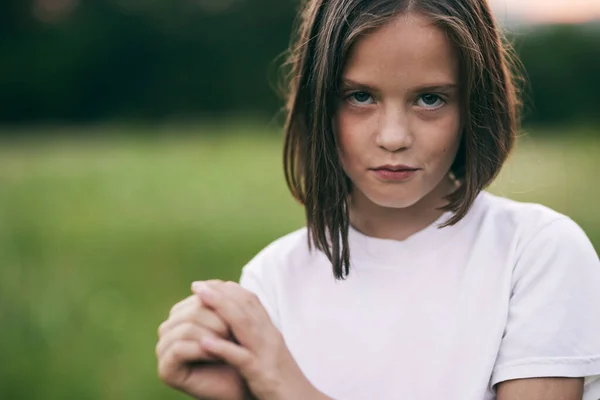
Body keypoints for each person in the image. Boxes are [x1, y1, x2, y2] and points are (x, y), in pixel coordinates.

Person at [155, 0, 600, 399]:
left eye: (430, 99)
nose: (394, 137)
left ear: (473, 105)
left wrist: (286, 388)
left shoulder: (538, 253)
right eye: (360, 97)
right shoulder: (272, 281)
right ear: (319, 103)